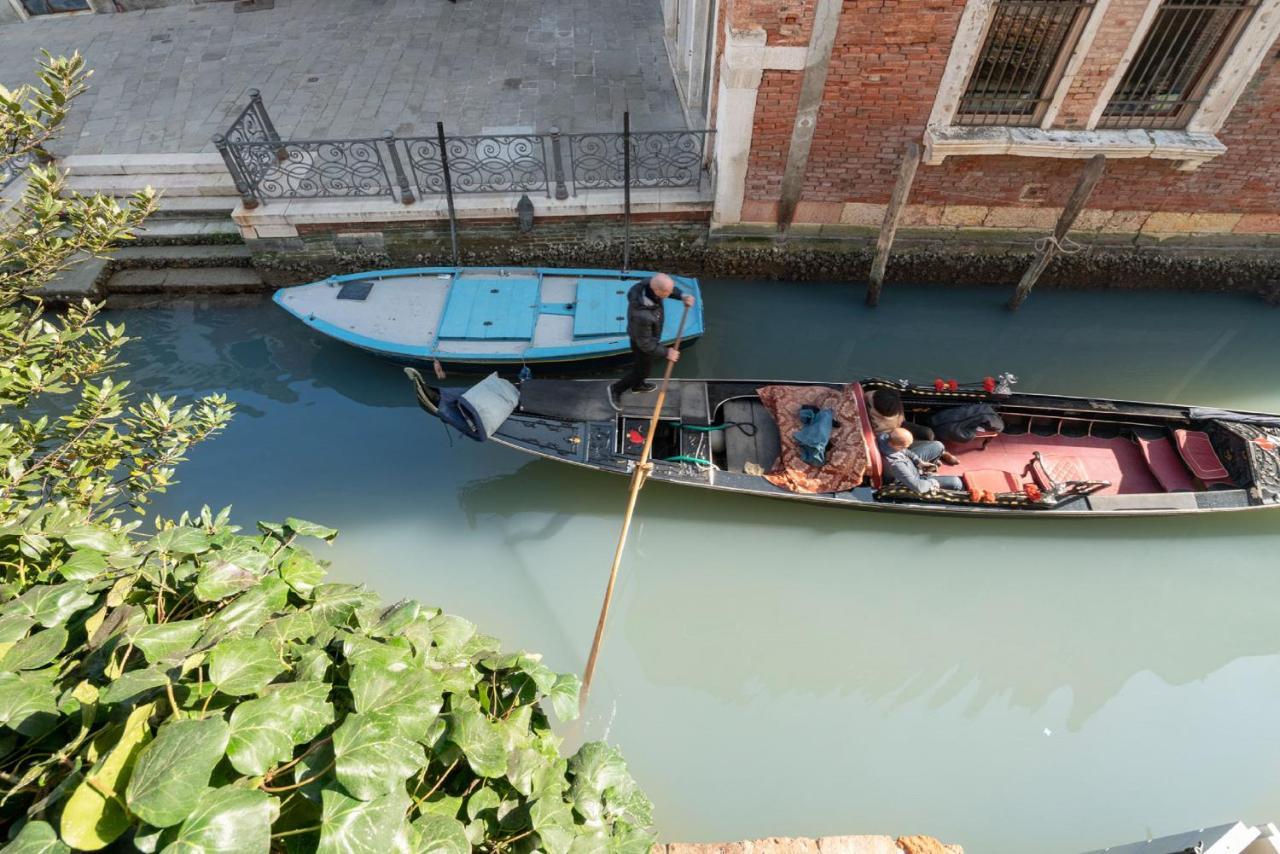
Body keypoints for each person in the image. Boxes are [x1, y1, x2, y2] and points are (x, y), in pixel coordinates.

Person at [608, 272, 695, 410]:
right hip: (641, 342)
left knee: (643, 368)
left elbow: (668, 290)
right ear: (658, 291)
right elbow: (646, 344)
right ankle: (616, 389)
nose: (670, 293)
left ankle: (637, 386)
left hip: (647, 338)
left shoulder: (649, 285)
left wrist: (682, 296)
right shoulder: (643, 315)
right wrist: (667, 352)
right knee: (642, 371)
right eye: (668, 292)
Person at [868, 388, 959, 466]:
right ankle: (934, 455)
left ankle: (941, 453)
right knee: (905, 443)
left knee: (927, 433)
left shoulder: (877, 395)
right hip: (889, 435)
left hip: (899, 424)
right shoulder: (873, 414)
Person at [882, 427, 964, 494]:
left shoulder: (884, 438)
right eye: (905, 446)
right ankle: (926, 476)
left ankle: (925, 470)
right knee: (956, 483)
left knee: (938, 445)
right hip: (913, 478)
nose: (907, 448)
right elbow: (918, 487)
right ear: (899, 447)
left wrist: (919, 462)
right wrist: (932, 482)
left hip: (909, 463)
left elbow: (905, 451)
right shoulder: (897, 465)